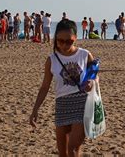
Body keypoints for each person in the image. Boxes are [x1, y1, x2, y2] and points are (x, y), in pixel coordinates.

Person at [30, 19, 98, 156]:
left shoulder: (85, 55)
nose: (64, 45)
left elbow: (95, 75)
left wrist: (92, 82)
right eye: (60, 41)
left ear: (75, 38)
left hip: (82, 103)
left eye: (69, 41)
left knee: (73, 148)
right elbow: (44, 87)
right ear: (55, 39)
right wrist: (35, 109)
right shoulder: (52, 60)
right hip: (62, 105)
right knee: (63, 153)